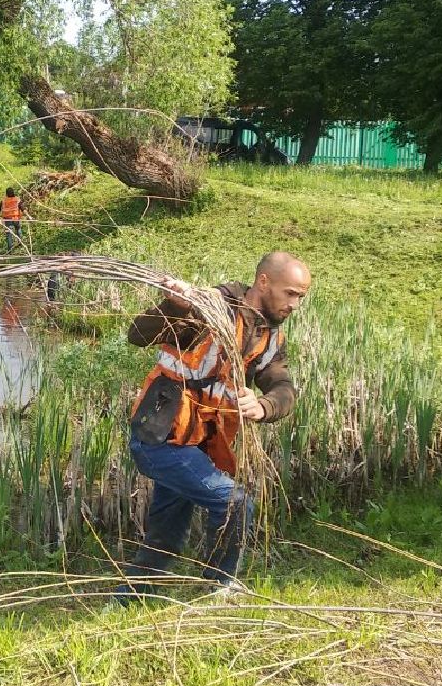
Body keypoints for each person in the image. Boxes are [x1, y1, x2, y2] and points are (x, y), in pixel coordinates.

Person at [115, 251, 310, 602]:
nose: (295, 304)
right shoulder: (208, 308)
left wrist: (263, 406)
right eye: (291, 293)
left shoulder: (268, 337)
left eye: (301, 297)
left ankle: (126, 599)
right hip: (159, 437)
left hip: (196, 445)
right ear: (263, 282)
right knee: (235, 502)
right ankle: (220, 587)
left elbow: (284, 389)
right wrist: (176, 306)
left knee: (166, 535)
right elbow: (137, 335)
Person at [0, 187, 23, 252]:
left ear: (6, 194)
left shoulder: (3, 201)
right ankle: (20, 243)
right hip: (16, 218)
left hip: (8, 220)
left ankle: (10, 249)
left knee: (9, 234)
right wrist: (28, 216)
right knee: (18, 229)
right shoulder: (17, 199)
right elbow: (23, 208)